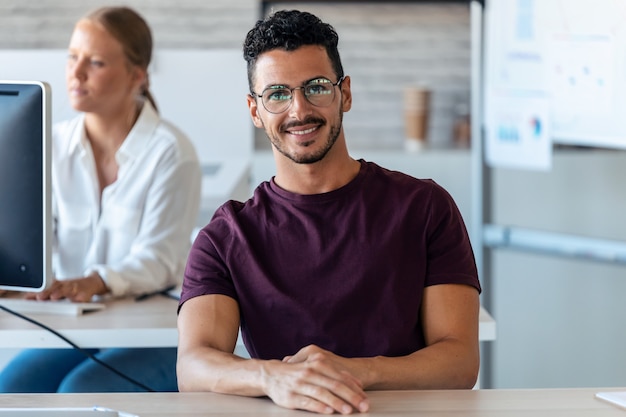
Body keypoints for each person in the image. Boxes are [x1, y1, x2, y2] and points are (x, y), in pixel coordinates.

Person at [176, 9, 481, 415]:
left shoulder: (424, 207)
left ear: (345, 94)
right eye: (277, 94)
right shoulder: (228, 235)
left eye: (316, 87)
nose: (299, 110)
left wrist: (353, 372)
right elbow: (193, 367)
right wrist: (273, 377)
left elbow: (460, 362)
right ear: (255, 110)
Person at [0, 6, 201, 393]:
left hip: (155, 332)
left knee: (78, 391)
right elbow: (36, 240)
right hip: (82, 323)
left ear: (136, 76)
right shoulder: (52, 143)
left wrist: (94, 281)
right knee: (10, 388)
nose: (76, 74)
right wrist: (16, 278)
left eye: (95, 62)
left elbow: (159, 262)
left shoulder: (171, 153)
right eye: (72, 58)